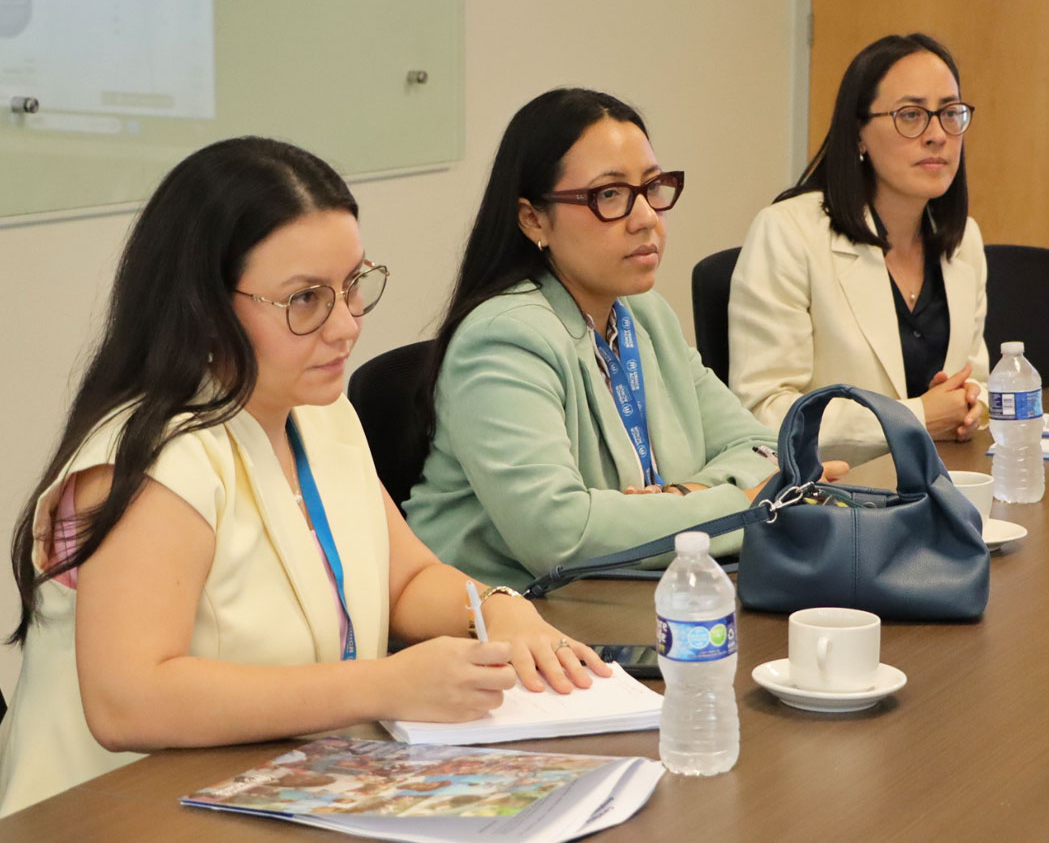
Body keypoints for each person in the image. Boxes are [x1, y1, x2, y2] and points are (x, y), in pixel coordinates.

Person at [0, 137, 608, 818]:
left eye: (353, 285)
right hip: (118, 814)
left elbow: (404, 580)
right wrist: (382, 685)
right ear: (205, 305)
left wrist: (496, 608)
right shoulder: (150, 462)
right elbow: (128, 701)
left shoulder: (317, 411)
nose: (346, 325)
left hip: (278, 788)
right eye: (306, 299)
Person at [404, 89, 840, 590]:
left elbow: (762, 447)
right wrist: (744, 505)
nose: (647, 217)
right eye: (609, 195)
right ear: (533, 218)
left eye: (653, 187)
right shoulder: (503, 340)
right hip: (515, 616)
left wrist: (681, 494)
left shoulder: (645, 315)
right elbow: (561, 536)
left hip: (632, 593)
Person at [728, 33, 988, 465]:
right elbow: (764, 414)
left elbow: (975, 379)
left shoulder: (964, 240)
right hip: (837, 488)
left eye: (949, 113)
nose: (937, 135)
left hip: (945, 481)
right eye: (911, 115)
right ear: (859, 135)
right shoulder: (789, 233)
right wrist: (915, 418)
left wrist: (971, 407)